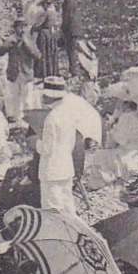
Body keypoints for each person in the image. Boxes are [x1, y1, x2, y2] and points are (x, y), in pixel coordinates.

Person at [36, 78, 80, 217]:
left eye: (44, 95)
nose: (42, 97)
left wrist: (37, 144)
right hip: (66, 165)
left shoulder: (51, 118)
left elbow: (47, 149)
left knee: (52, 208)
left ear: (50, 96)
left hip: (51, 169)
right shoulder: (69, 114)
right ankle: (75, 233)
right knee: (67, 205)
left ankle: (56, 235)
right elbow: (71, 143)